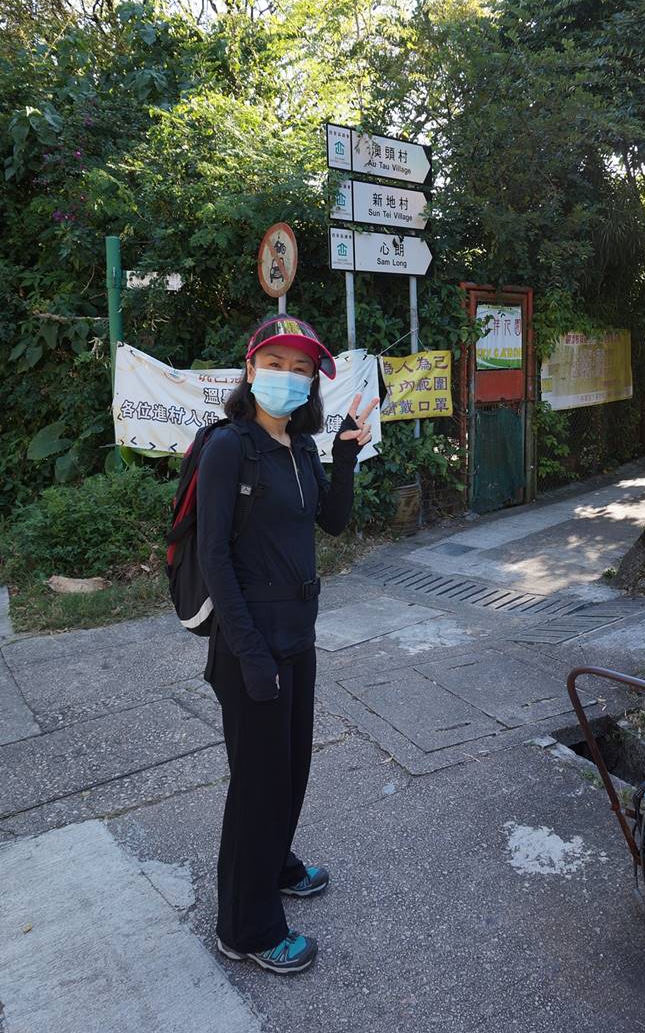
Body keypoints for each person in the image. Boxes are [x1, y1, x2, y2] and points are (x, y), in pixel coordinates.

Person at [196, 314, 377, 975]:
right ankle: (244, 929)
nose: (288, 377)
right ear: (251, 370)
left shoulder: (299, 448)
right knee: (258, 784)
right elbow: (214, 558)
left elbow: (332, 520)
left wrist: (345, 455)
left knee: (291, 768)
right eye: (276, 364)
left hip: (299, 635)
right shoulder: (229, 448)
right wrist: (250, 654)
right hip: (251, 642)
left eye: (301, 369)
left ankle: (274, 864)